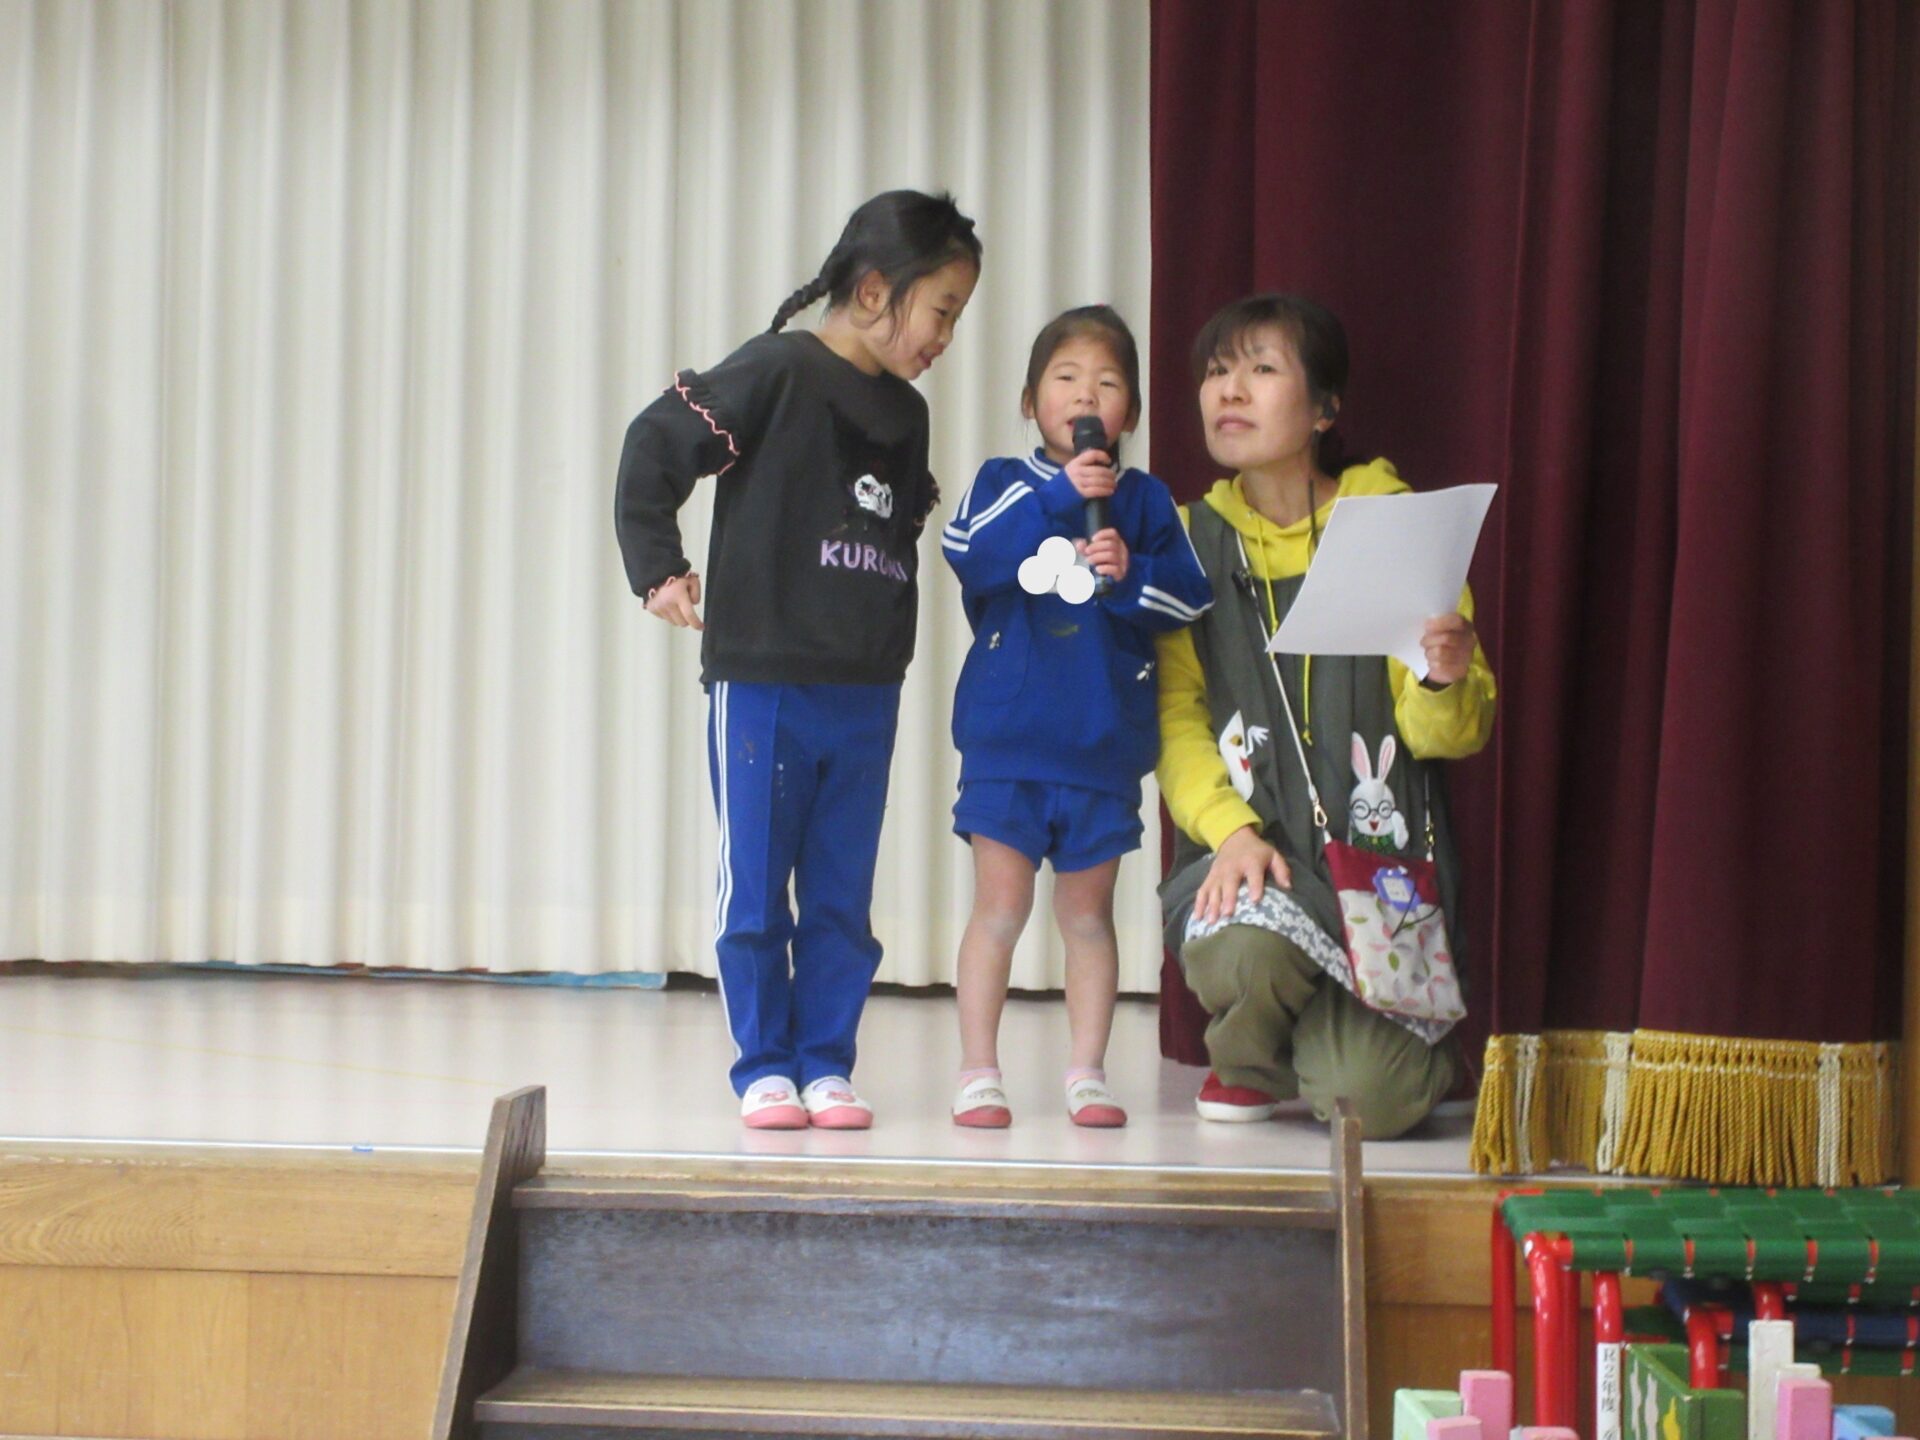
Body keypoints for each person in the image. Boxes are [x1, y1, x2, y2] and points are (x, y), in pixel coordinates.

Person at [614, 191, 981, 1131]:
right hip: (764, 684)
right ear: (875, 291)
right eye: (941, 311)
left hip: (866, 690)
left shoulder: (908, 414)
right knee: (756, 885)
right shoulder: (775, 370)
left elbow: (894, 527)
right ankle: (763, 1066)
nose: (947, 337)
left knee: (841, 896)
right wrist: (657, 568)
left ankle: (826, 1062)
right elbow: (655, 443)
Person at [1156, 293, 1497, 1140]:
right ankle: (1253, 1060)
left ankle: (1378, 1050)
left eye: (1262, 369)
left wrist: (1443, 679)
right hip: (1254, 860)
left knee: (1369, 1105)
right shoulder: (1187, 543)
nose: (1230, 390)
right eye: (1217, 371)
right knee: (1243, 946)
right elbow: (1175, 720)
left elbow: (1449, 736)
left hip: (1379, 878)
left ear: (1324, 409)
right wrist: (1230, 832)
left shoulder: (1394, 522)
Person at [942, 306, 1213, 1129]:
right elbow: (968, 552)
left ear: (1130, 411)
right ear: (1031, 402)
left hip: (1101, 747)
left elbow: (1191, 600)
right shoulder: (1005, 483)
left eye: (1107, 382)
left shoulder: (1147, 501)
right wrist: (1058, 496)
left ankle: (1088, 1073)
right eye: (1066, 378)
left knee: (1088, 918)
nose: (1086, 394)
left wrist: (1131, 574)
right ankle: (978, 1072)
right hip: (1009, 746)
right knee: (999, 910)